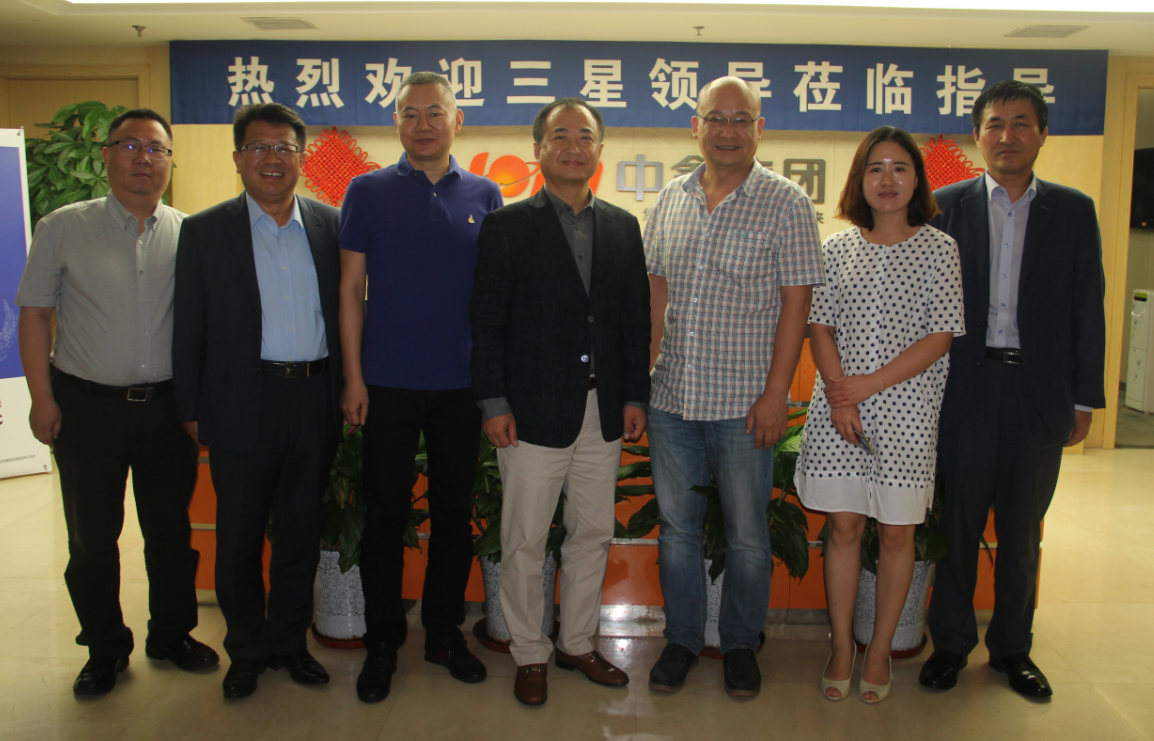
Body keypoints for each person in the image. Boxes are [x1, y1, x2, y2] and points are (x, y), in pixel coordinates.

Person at [16, 109, 218, 696]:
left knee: (170, 531)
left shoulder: (190, 233)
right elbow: (35, 315)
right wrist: (40, 397)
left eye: (156, 148)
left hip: (167, 410)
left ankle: (172, 634)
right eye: (129, 146)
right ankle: (104, 647)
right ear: (106, 155)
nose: (143, 158)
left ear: (171, 161)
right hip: (86, 408)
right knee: (92, 537)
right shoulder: (63, 227)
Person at [919, 80, 1106, 699]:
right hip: (965, 390)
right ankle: (950, 644)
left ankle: (1012, 649)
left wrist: (1084, 399)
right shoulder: (946, 206)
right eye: (995, 124)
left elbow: (1088, 306)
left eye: (1021, 123)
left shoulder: (1073, 211)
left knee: (1023, 533)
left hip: (1039, 392)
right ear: (977, 136)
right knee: (959, 526)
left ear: (1043, 134)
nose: (1007, 136)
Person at [643, 76, 823, 698]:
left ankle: (741, 645)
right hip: (671, 400)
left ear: (759, 129)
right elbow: (656, 293)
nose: (727, 131)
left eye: (740, 119)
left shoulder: (786, 203)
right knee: (677, 531)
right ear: (695, 126)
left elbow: (796, 305)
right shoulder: (671, 198)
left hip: (745, 405)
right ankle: (682, 641)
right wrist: (642, 379)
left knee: (747, 535)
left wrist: (777, 395)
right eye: (715, 119)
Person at [470, 98, 650, 706]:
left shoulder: (623, 227)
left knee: (592, 533)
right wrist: (494, 402)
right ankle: (529, 652)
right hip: (529, 414)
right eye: (560, 136)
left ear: (600, 150)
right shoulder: (507, 226)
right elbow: (487, 321)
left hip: (603, 411)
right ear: (539, 150)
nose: (574, 147)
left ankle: (576, 643)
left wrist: (635, 395)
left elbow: (635, 320)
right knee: (524, 539)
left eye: (585, 136)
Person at [338, 71, 503, 703]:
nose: (424, 124)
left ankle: (442, 633)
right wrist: (354, 376)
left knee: (454, 516)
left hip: (461, 386)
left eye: (436, 112)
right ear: (396, 123)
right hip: (385, 383)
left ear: (457, 121)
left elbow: (495, 298)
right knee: (385, 516)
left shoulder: (486, 194)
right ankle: (383, 640)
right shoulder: (366, 190)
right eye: (411, 113)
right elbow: (351, 289)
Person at [172, 103, 343, 700]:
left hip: (313, 397)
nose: (273, 159)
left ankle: (290, 643)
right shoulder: (205, 230)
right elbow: (188, 325)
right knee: (240, 536)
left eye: (285, 148)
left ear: (302, 157)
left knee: (299, 531)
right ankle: (245, 648)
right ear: (238, 158)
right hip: (240, 400)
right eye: (259, 148)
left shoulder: (330, 225)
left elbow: (350, 311)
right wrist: (190, 407)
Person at [795, 126, 964, 704]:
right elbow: (820, 326)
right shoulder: (837, 248)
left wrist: (866, 386)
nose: (887, 179)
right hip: (839, 410)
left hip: (907, 413)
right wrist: (843, 396)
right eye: (875, 168)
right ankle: (842, 646)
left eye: (899, 168)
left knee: (897, 533)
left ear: (917, 179)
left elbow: (940, 335)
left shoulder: (940, 249)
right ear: (859, 180)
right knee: (843, 528)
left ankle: (879, 651)